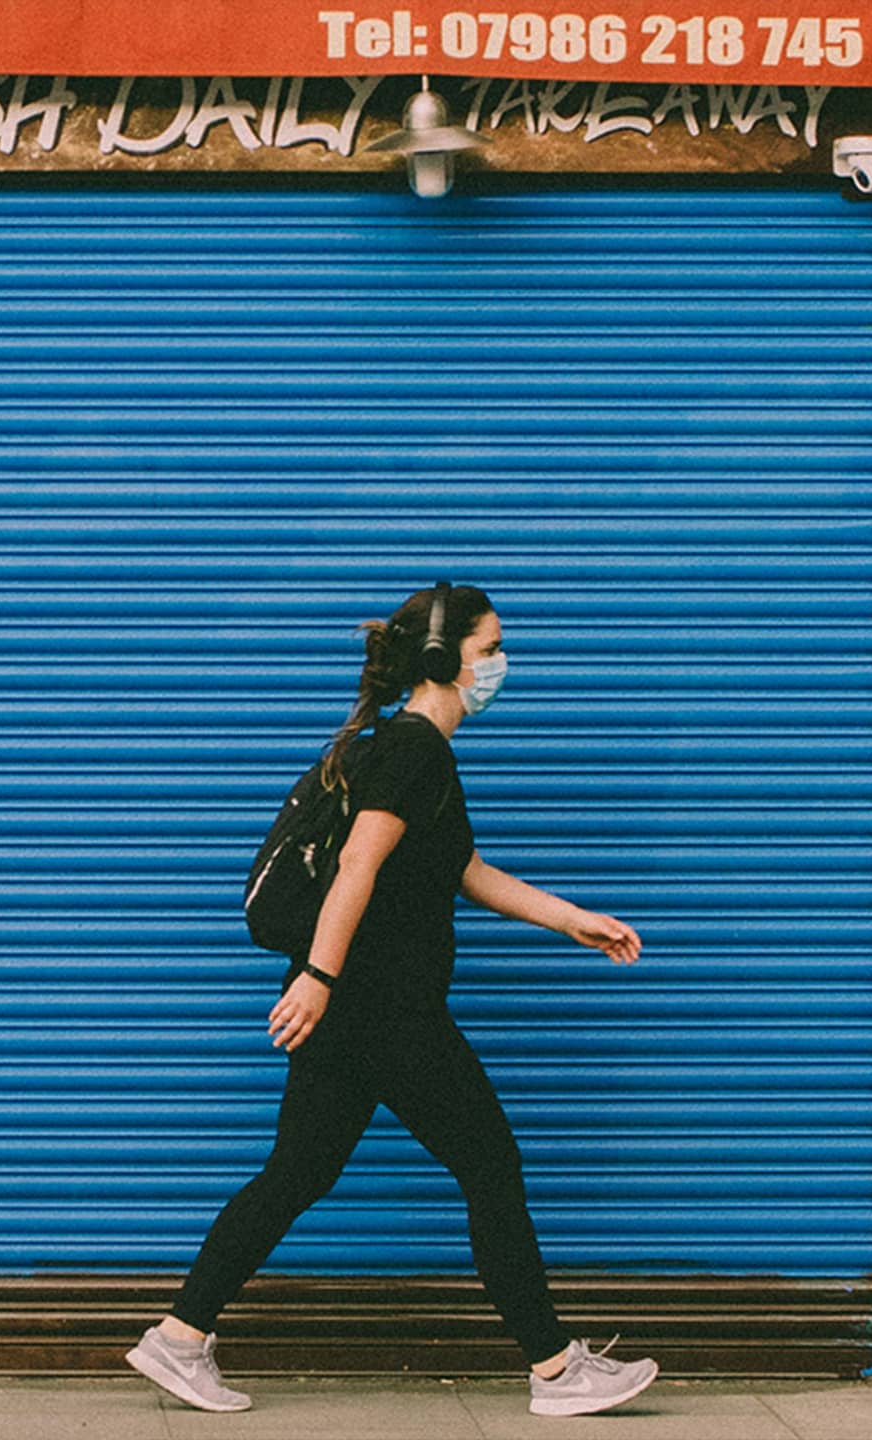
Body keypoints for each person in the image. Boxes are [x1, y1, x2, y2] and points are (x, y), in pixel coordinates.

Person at [123, 582, 661, 1419]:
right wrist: (321, 978)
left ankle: (179, 1337)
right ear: (445, 662)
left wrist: (573, 922)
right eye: (490, 651)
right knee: (489, 1164)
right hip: (383, 1009)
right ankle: (556, 1370)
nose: (501, 666)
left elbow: (464, 872)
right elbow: (357, 869)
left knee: (297, 1172)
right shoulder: (414, 750)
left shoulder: (407, 749)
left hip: (360, 1009)